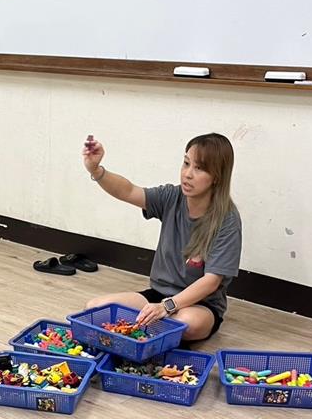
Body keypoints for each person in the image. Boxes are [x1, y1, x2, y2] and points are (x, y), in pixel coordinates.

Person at [82, 132, 242, 341]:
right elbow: (128, 191)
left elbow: (211, 282)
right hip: (159, 296)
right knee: (94, 308)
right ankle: (153, 334)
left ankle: (154, 333)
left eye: (199, 168)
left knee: (185, 324)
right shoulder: (172, 196)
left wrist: (168, 306)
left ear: (217, 177)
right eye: (186, 163)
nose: (188, 174)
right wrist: (95, 170)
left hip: (200, 305)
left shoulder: (227, 220)